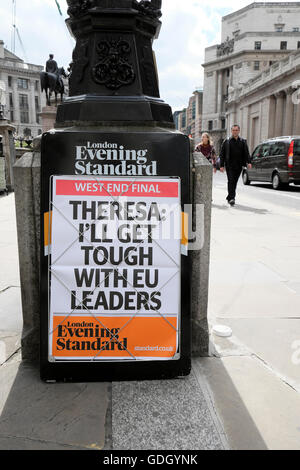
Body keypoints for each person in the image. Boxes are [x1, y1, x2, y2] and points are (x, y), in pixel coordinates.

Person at [219, 124, 252, 206]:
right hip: (229, 165)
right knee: (231, 181)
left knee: (234, 182)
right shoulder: (227, 141)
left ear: (239, 131)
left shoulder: (243, 141)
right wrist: (221, 165)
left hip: (239, 165)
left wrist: (249, 162)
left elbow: (246, 153)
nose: (235, 132)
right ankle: (232, 198)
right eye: (233, 130)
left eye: (236, 130)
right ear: (231, 131)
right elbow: (222, 154)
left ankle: (229, 196)